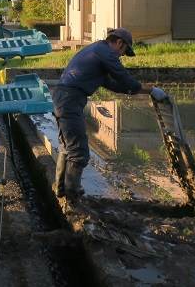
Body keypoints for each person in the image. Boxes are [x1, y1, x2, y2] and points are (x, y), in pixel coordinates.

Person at [52, 28, 167, 202]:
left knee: (67, 147)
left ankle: (61, 190)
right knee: (78, 151)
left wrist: (138, 91)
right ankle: (72, 196)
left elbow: (113, 84)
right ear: (119, 43)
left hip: (64, 97)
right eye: (123, 51)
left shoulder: (96, 51)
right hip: (70, 100)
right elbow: (122, 76)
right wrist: (150, 90)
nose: (121, 56)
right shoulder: (105, 52)